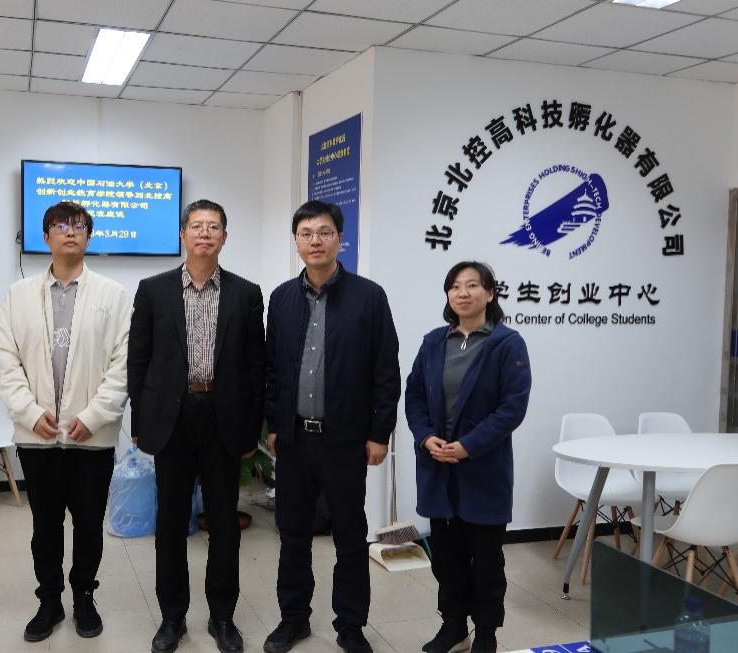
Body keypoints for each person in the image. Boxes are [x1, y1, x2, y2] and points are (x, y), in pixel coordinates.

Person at [263, 200, 400, 653]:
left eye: (324, 232)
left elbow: (386, 370)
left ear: (340, 238)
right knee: (293, 534)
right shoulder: (282, 298)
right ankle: (293, 619)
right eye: (306, 234)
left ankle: (351, 625)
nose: (315, 241)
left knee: (349, 536)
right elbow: (272, 368)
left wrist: (379, 432)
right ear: (297, 242)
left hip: (345, 441)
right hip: (295, 439)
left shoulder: (369, 297)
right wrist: (274, 424)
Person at [129, 199, 265, 653]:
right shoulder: (153, 290)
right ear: (182, 235)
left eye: (213, 227)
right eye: (197, 226)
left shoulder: (246, 293)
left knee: (224, 522)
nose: (205, 233)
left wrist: (251, 429)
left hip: (223, 417)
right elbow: (138, 360)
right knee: (170, 522)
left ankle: (222, 617)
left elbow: (256, 366)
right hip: (172, 417)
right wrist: (139, 421)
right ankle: (172, 617)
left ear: (224, 237)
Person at [0, 201, 131, 643]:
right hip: (37, 437)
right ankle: (49, 600)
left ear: (88, 236)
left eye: (78, 226)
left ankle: (84, 597)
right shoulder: (18, 295)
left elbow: (124, 363)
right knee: (45, 526)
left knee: (89, 525)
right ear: (46, 236)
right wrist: (31, 414)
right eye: (60, 225)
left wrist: (93, 416)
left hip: (92, 437)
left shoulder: (113, 294)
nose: (70, 231)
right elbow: (5, 361)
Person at [404, 261, 532, 653]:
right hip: (437, 468)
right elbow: (414, 395)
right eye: (455, 286)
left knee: (487, 562)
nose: (463, 293)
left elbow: (512, 408)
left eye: (473, 285)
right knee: (446, 559)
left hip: (483, 470)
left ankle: (486, 633)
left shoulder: (507, 343)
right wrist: (426, 437)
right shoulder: (433, 342)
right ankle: (454, 627)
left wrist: (468, 446)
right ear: (448, 294)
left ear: (490, 293)